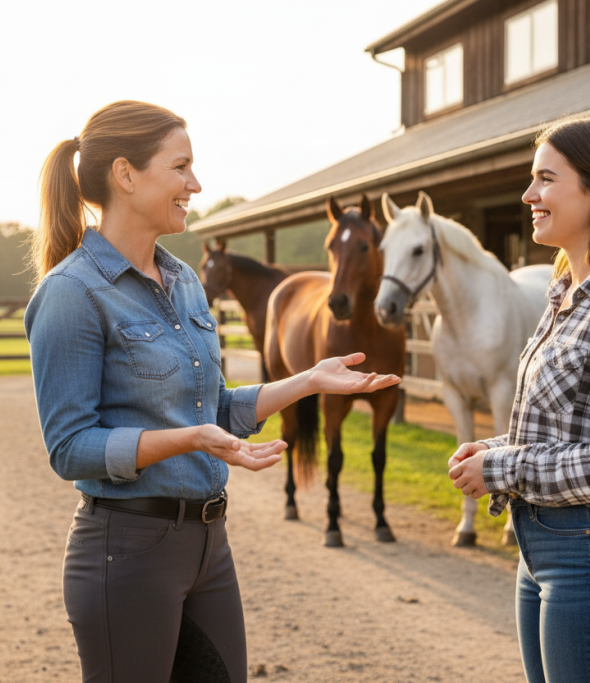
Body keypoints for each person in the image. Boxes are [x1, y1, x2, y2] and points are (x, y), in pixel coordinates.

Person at [23, 100, 399, 683]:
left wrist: (307, 381)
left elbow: (215, 408)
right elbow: (70, 447)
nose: (195, 184)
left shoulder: (184, 281)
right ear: (126, 175)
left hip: (208, 547)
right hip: (127, 548)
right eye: (180, 168)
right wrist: (188, 439)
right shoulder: (72, 292)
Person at [448, 114, 590, 683]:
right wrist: (495, 447)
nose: (529, 194)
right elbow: (565, 430)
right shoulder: (565, 294)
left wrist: (501, 466)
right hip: (546, 552)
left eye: (546, 179)